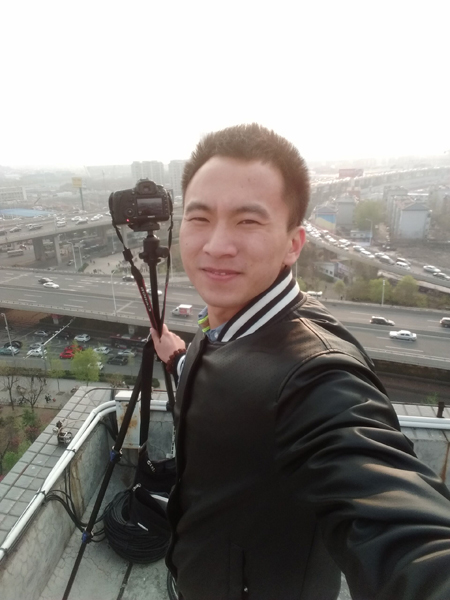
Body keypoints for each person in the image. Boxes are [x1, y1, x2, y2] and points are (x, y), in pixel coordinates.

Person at [150, 124, 450, 600]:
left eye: (248, 221)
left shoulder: (316, 375)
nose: (217, 244)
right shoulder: (227, 324)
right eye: (200, 217)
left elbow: (397, 520)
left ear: (294, 244)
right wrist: (180, 357)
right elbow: (231, 386)